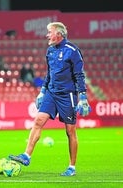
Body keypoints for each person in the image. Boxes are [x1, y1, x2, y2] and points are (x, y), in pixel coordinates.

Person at [9, 22, 91, 176]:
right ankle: (26, 156)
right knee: (38, 120)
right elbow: (49, 73)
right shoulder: (50, 51)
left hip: (68, 95)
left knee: (70, 131)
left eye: (49, 32)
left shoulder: (73, 51)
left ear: (59, 34)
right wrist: (42, 91)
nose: (47, 35)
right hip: (51, 93)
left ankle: (71, 167)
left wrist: (83, 97)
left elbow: (79, 75)